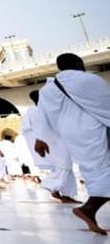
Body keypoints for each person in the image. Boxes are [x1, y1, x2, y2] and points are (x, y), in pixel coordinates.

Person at [34, 54, 110, 234]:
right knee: (105, 170)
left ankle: (90, 211)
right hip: (92, 129)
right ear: (78, 63)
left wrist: (40, 138)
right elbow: (106, 103)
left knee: (95, 171)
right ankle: (88, 209)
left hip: (71, 135)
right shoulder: (88, 80)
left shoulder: (47, 90)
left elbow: (42, 115)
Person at [23, 90, 77, 203]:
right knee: (65, 165)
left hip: (51, 142)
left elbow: (27, 131)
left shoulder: (32, 111)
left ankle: (62, 192)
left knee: (61, 167)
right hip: (51, 142)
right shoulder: (39, 111)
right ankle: (51, 185)